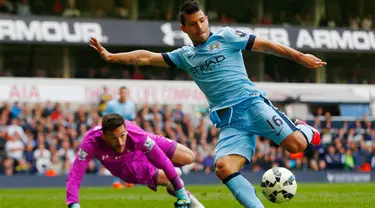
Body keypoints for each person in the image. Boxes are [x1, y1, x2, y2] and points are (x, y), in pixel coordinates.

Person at [89, 1, 326, 207]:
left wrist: (299, 56)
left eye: (202, 21)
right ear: (184, 28)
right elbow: (147, 57)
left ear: (207, 19)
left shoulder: (226, 36)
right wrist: (111, 56)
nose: (200, 26)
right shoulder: (184, 56)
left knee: (295, 145)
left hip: (252, 105)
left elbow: (266, 45)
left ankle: (306, 128)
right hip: (229, 121)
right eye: (193, 23)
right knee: (223, 167)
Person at [66, 113, 204, 208]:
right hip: (125, 164)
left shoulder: (135, 132)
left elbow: (162, 159)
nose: (120, 142)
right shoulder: (90, 142)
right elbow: (75, 175)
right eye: (113, 138)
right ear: (104, 136)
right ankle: (195, 203)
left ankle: (169, 178)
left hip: (140, 142)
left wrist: (178, 189)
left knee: (188, 156)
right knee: (166, 178)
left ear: (126, 129)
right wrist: (74, 204)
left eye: (122, 135)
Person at [103, 86, 136, 188]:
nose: (124, 95)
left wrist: (134, 132)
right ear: (119, 93)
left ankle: (128, 180)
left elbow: (132, 119)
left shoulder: (131, 105)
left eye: (125, 93)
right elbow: (104, 118)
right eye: (122, 93)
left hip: (126, 133)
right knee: (117, 156)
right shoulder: (111, 104)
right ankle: (116, 181)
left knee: (129, 156)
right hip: (114, 134)